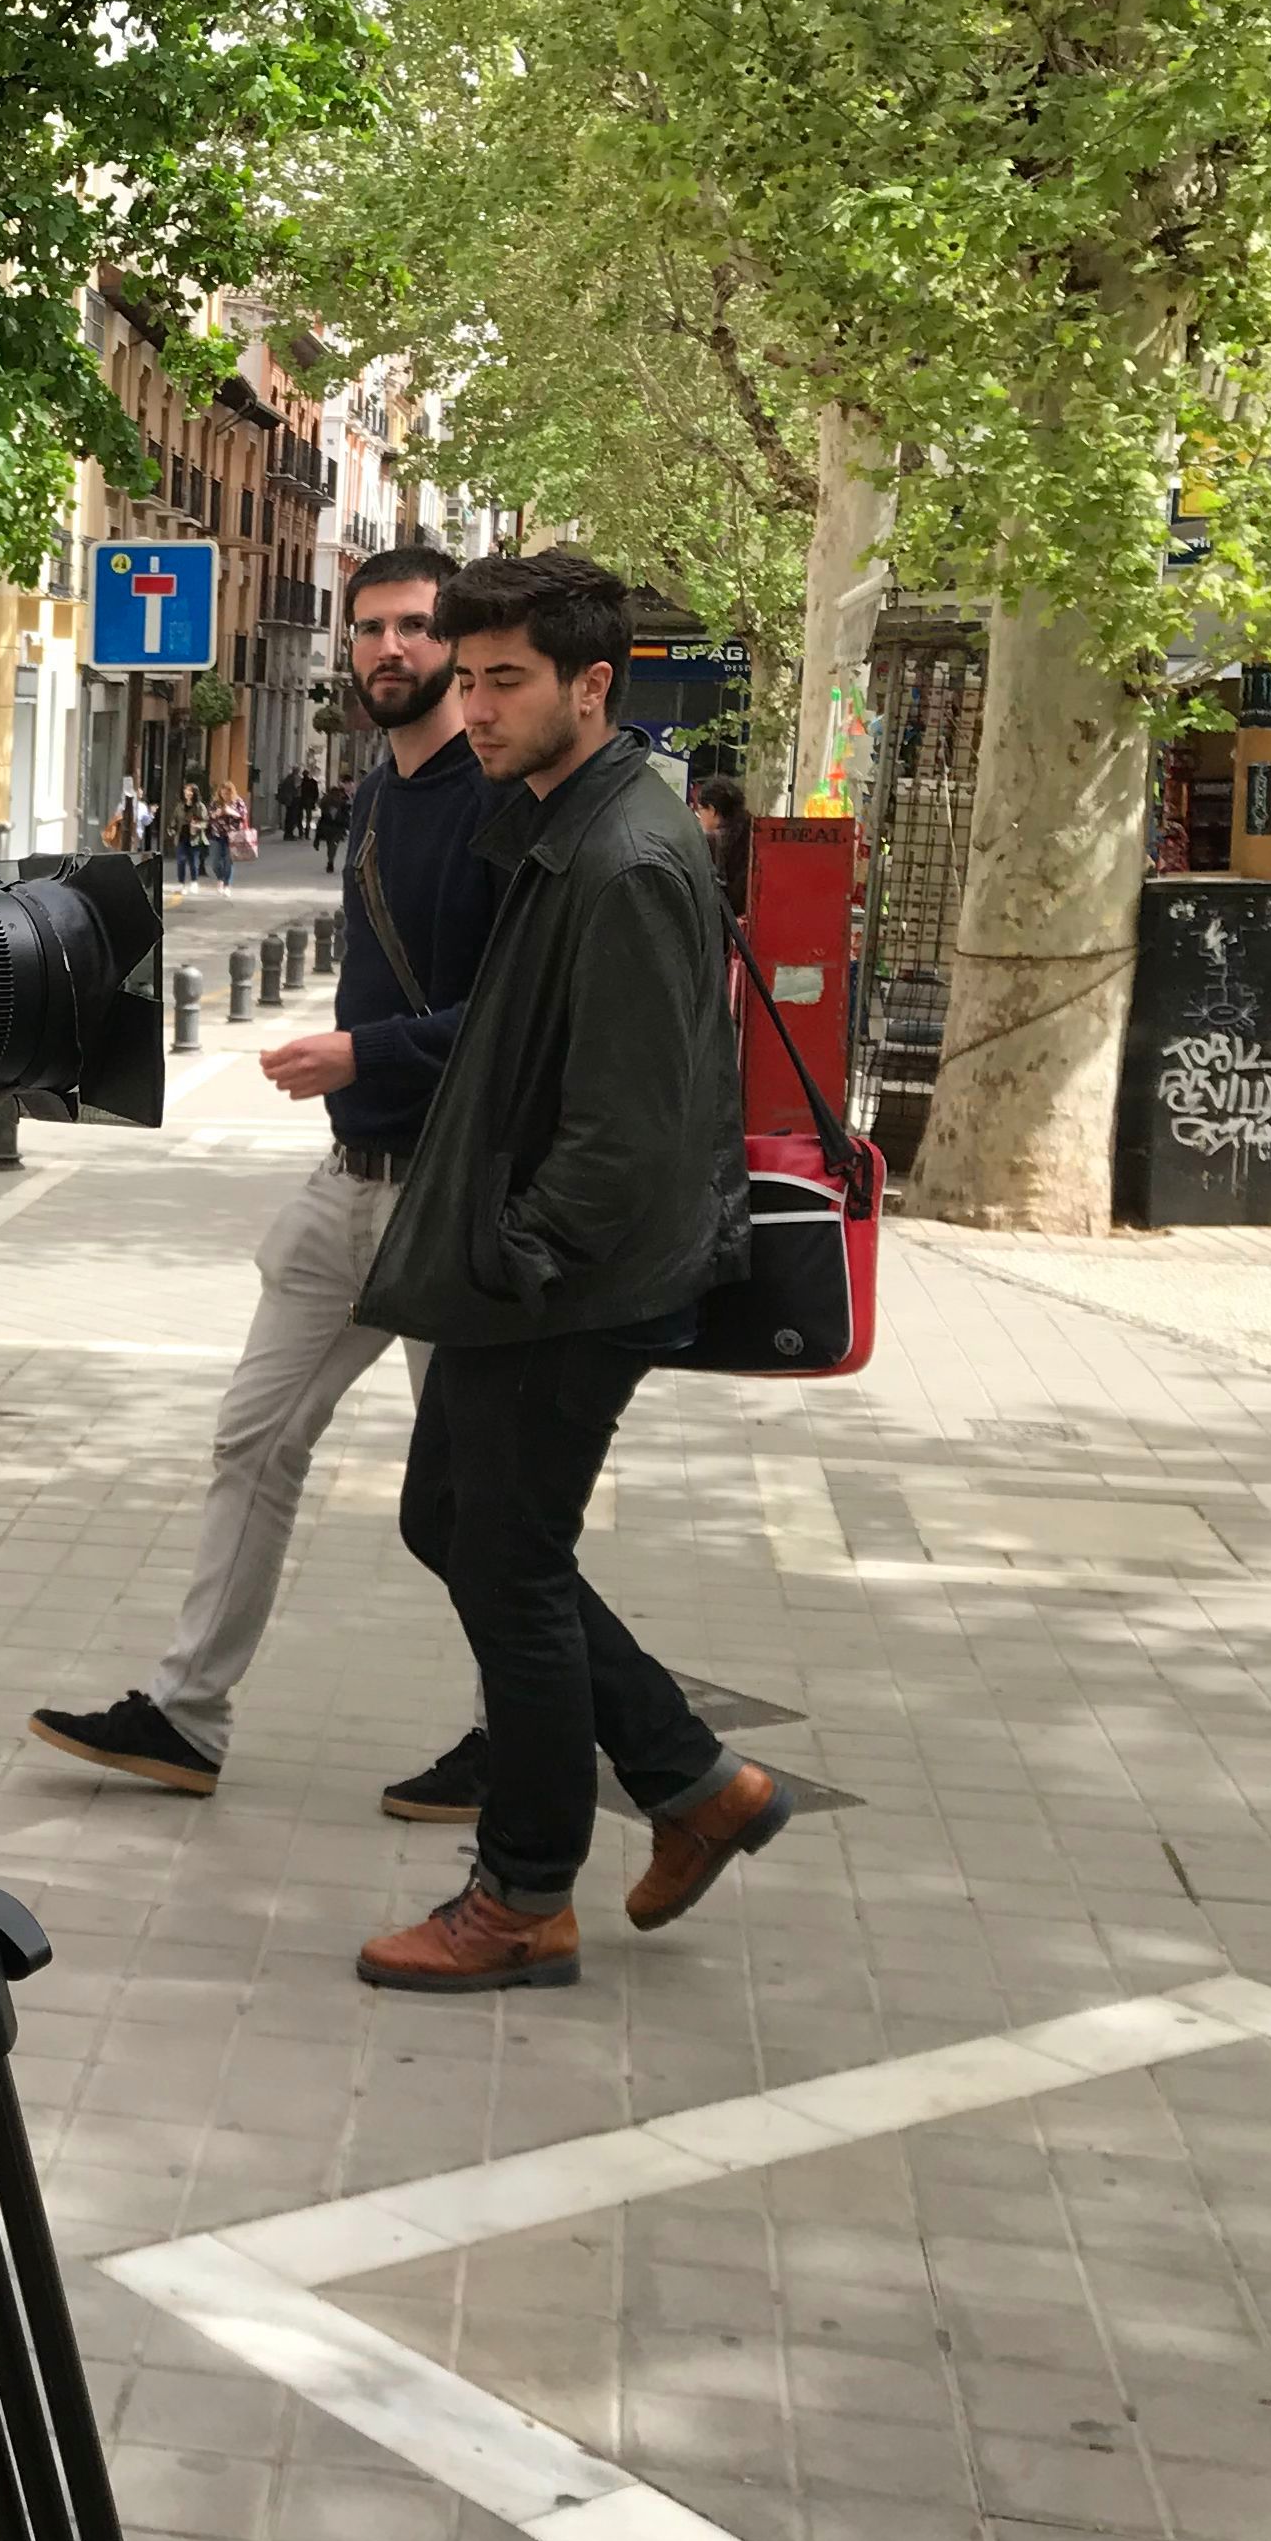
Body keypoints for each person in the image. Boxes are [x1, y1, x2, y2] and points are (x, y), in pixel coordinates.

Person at [349, 549, 780, 1994]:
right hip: (538, 1271)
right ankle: (692, 1780)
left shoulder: (627, 857)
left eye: (503, 681)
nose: (472, 707)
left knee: (509, 1565)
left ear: (593, 687)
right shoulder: (559, 818)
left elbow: (628, 1130)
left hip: (571, 1283)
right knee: (454, 1524)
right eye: (463, 680)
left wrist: (515, 1260)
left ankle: (526, 1894)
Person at [30, 548, 504, 1813]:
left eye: (414, 629)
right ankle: (185, 1718)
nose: (389, 651)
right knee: (253, 1439)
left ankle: (510, 1735)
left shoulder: (497, 806)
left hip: (452, 1202)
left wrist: (366, 1050)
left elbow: (519, 1022)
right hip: (346, 1187)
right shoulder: (371, 799)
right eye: (370, 631)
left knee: (476, 1489)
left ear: (457, 649)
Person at [689, 772, 752, 917]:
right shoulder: (751, 829)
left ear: (711, 810)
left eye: (700, 810)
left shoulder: (715, 842)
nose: (699, 817)